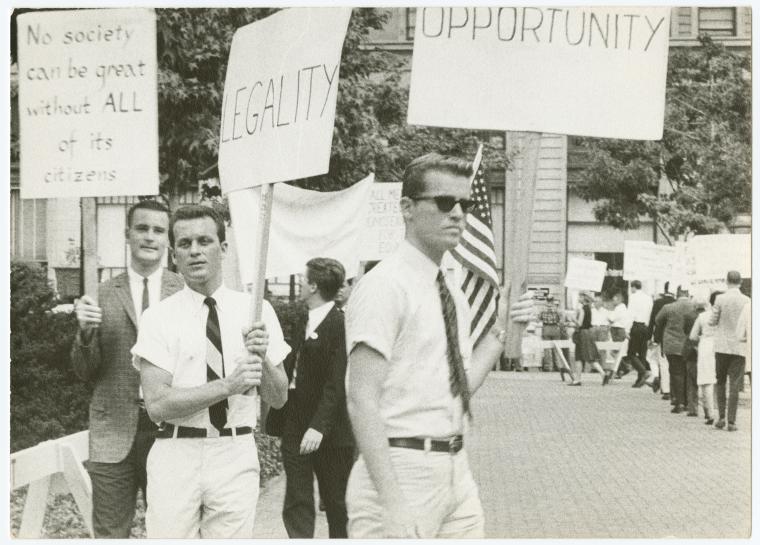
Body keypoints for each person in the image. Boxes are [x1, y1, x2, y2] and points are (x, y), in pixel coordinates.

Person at [343, 153, 534, 538]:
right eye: (445, 202)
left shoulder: (450, 287)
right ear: (407, 209)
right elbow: (360, 397)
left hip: (454, 469)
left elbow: (459, 384)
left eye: (466, 204)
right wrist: (392, 500)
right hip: (400, 466)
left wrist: (500, 330)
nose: (459, 214)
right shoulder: (385, 285)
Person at [131, 205, 290, 537]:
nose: (195, 251)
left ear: (224, 248)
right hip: (176, 453)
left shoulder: (257, 310)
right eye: (185, 243)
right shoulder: (158, 318)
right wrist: (228, 385)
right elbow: (158, 404)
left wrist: (264, 359)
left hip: (235, 450)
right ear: (173, 255)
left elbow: (278, 398)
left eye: (204, 241)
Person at [71, 200, 183, 538]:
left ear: (168, 240)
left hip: (171, 431)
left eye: (158, 230)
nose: (150, 237)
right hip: (113, 432)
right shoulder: (99, 295)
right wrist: (85, 333)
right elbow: (83, 372)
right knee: (110, 532)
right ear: (127, 234)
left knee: (170, 531)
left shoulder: (185, 293)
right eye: (142, 228)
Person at [280, 258, 354, 538]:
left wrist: (318, 427)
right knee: (297, 499)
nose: (299, 283)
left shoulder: (341, 325)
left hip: (331, 430)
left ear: (313, 285)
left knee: (336, 503)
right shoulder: (299, 320)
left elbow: (337, 383)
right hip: (295, 422)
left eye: (303, 279)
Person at [709, 271, 751, 431]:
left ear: (727, 281)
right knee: (735, 384)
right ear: (740, 282)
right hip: (739, 347)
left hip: (721, 346)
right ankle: (732, 421)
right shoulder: (747, 301)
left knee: (720, 382)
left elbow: (712, 321)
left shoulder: (720, 299)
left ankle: (720, 417)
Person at [655, 287, 697, 415]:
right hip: (689, 344)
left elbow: (657, 320)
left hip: (672, 344)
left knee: (676, 373)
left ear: (677, 294)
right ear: (688, 294)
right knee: (688, 373)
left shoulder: (668, 307)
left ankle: (678, 402)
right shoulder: (693, 307)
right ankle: (689, 403)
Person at [689, 293, 718, 424]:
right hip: (722, 345)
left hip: (706, 345)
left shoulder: (703, 316)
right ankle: (722, 413)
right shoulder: (726, 317)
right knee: (722, 380)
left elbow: (693, 336)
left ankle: (710, 413)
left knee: (707, 381)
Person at [570, 292, 605, 386]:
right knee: (588, 356)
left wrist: (573, 318)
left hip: (582, 334)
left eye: (580, 296)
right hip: (588, 333)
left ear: (584, 298)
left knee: (579, 356)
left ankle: (578, 380)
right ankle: (602, 373)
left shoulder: (582, 309)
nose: (578, 298)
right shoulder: (589, 308)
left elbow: (580, 324)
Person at [625, 280, 654, 388]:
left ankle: (643, 371)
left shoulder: (633, 297)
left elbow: (630, 314)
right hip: (645, 327)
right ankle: (639, 379)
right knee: (642, 353)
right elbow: (650, 313)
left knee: (631, 353)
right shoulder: (648, 298)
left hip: (636, 326)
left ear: (633, 287)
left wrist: (627, 329)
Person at [649, 285, 675, 400]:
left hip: (662, 336)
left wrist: (650, 336)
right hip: (676, 337)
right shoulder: (676, 302)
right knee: (674, 364)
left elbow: (653, 321)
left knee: (663, 363)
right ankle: (674, 389)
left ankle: (666, 390)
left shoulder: (658, 302)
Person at [540, 295, 568, 380]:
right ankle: (559, 366)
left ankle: (549, 367)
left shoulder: (542, 309)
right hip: (555, 329)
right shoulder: (557, 308)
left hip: (546, 328)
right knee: (557, 349)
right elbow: (561, 319)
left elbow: (539, 318)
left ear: (546, 300)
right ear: (552, 300)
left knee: (547, 349)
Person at [591, 293, 615, 385]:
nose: (595, 303)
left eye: (597, 301)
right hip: (593, 329)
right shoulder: (591, 310)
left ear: (601, 302)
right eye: (595, 301)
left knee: (602, 350)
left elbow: (611, 321)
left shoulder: (605, 311)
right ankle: (596, 368)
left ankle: (604, 369)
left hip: (602, 329)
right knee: (593, 349)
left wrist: (607, 329)